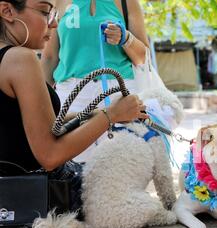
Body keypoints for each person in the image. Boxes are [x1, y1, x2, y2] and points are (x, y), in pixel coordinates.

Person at [0, 0, 147, 211]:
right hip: (36, 199)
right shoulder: (21, 59)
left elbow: (36, 123)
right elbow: (50, 155)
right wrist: (110, 115)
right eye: (44, 12)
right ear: (7, 11)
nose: (52, 24)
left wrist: (99, 113)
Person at [41, 0, 149, 161]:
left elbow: (143, 58)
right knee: (71, 171)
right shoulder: (59, 2)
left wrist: (125, 38)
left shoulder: (128, 2)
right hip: (71, 96)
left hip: (118, 94)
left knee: (122, 169)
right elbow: (49, 57)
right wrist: (39, 103)